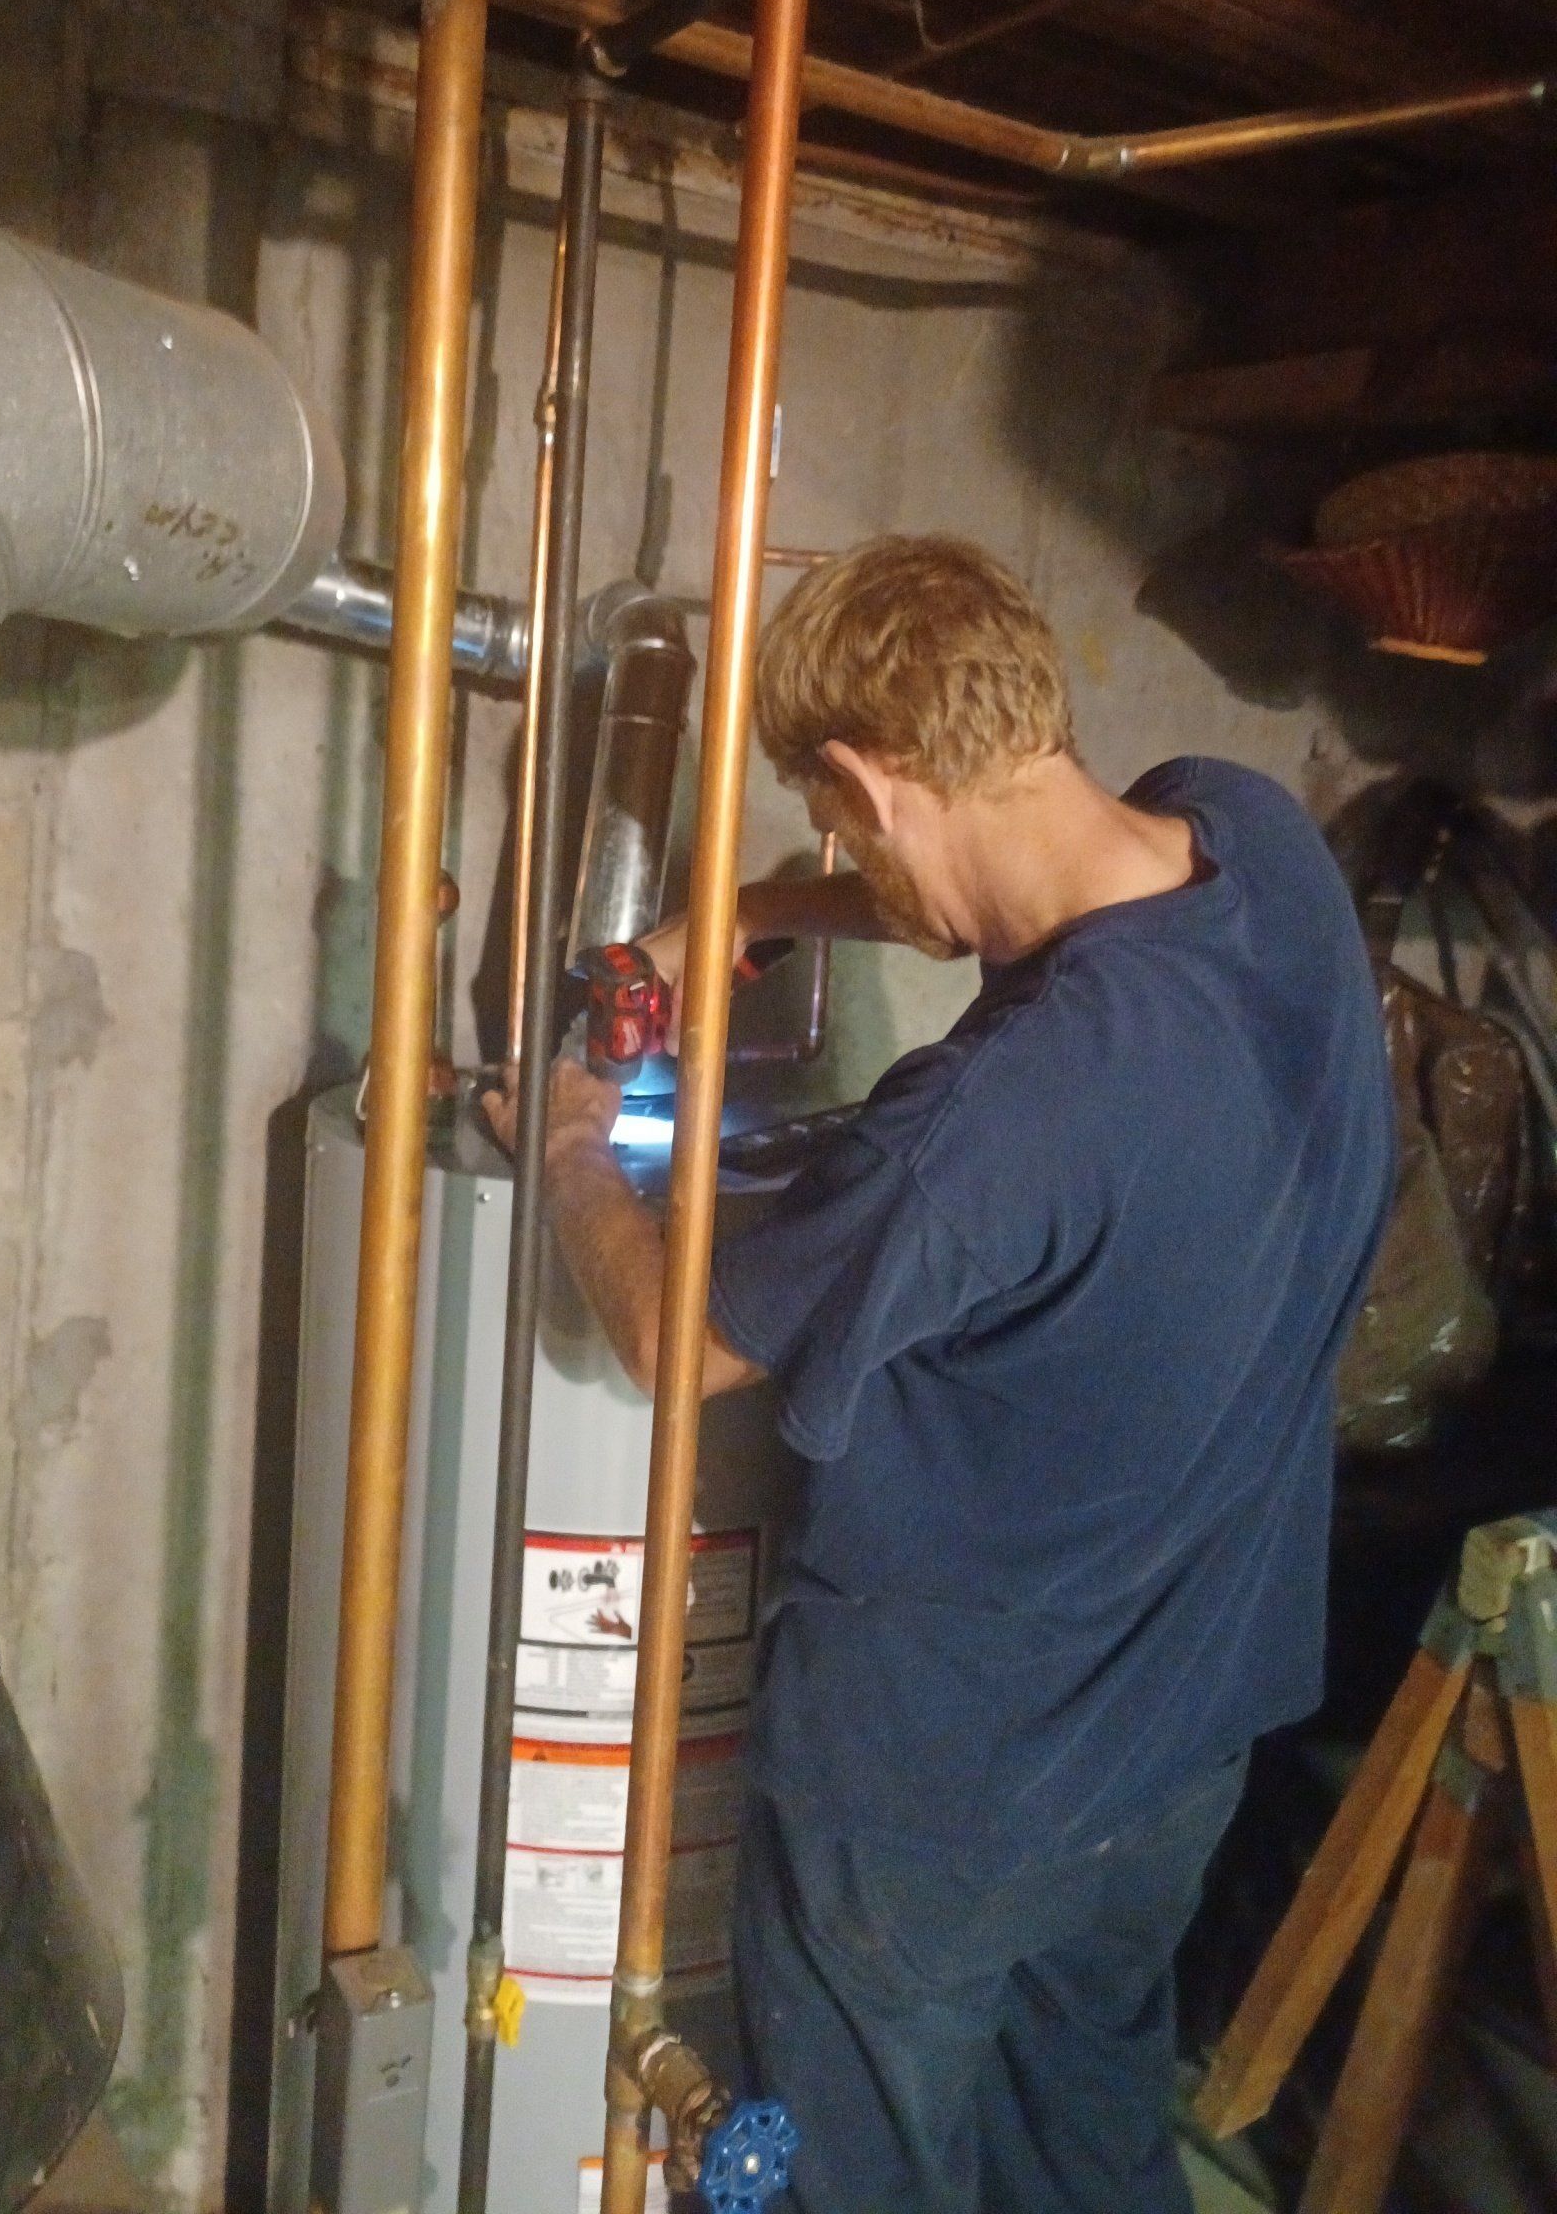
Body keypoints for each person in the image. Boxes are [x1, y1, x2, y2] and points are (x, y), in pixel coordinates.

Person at [485, 534, 1395, 2214]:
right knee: (1090, 2150)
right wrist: (758, 909)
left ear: (864, 779)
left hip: (940, 1796)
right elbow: (1021, 900)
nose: (837, 850)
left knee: (862, 2179)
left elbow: (678, 1341)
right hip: (1184, 1740)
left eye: (830, 824)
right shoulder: (1256, 845)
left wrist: (562, 1150)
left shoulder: (990, 1116)